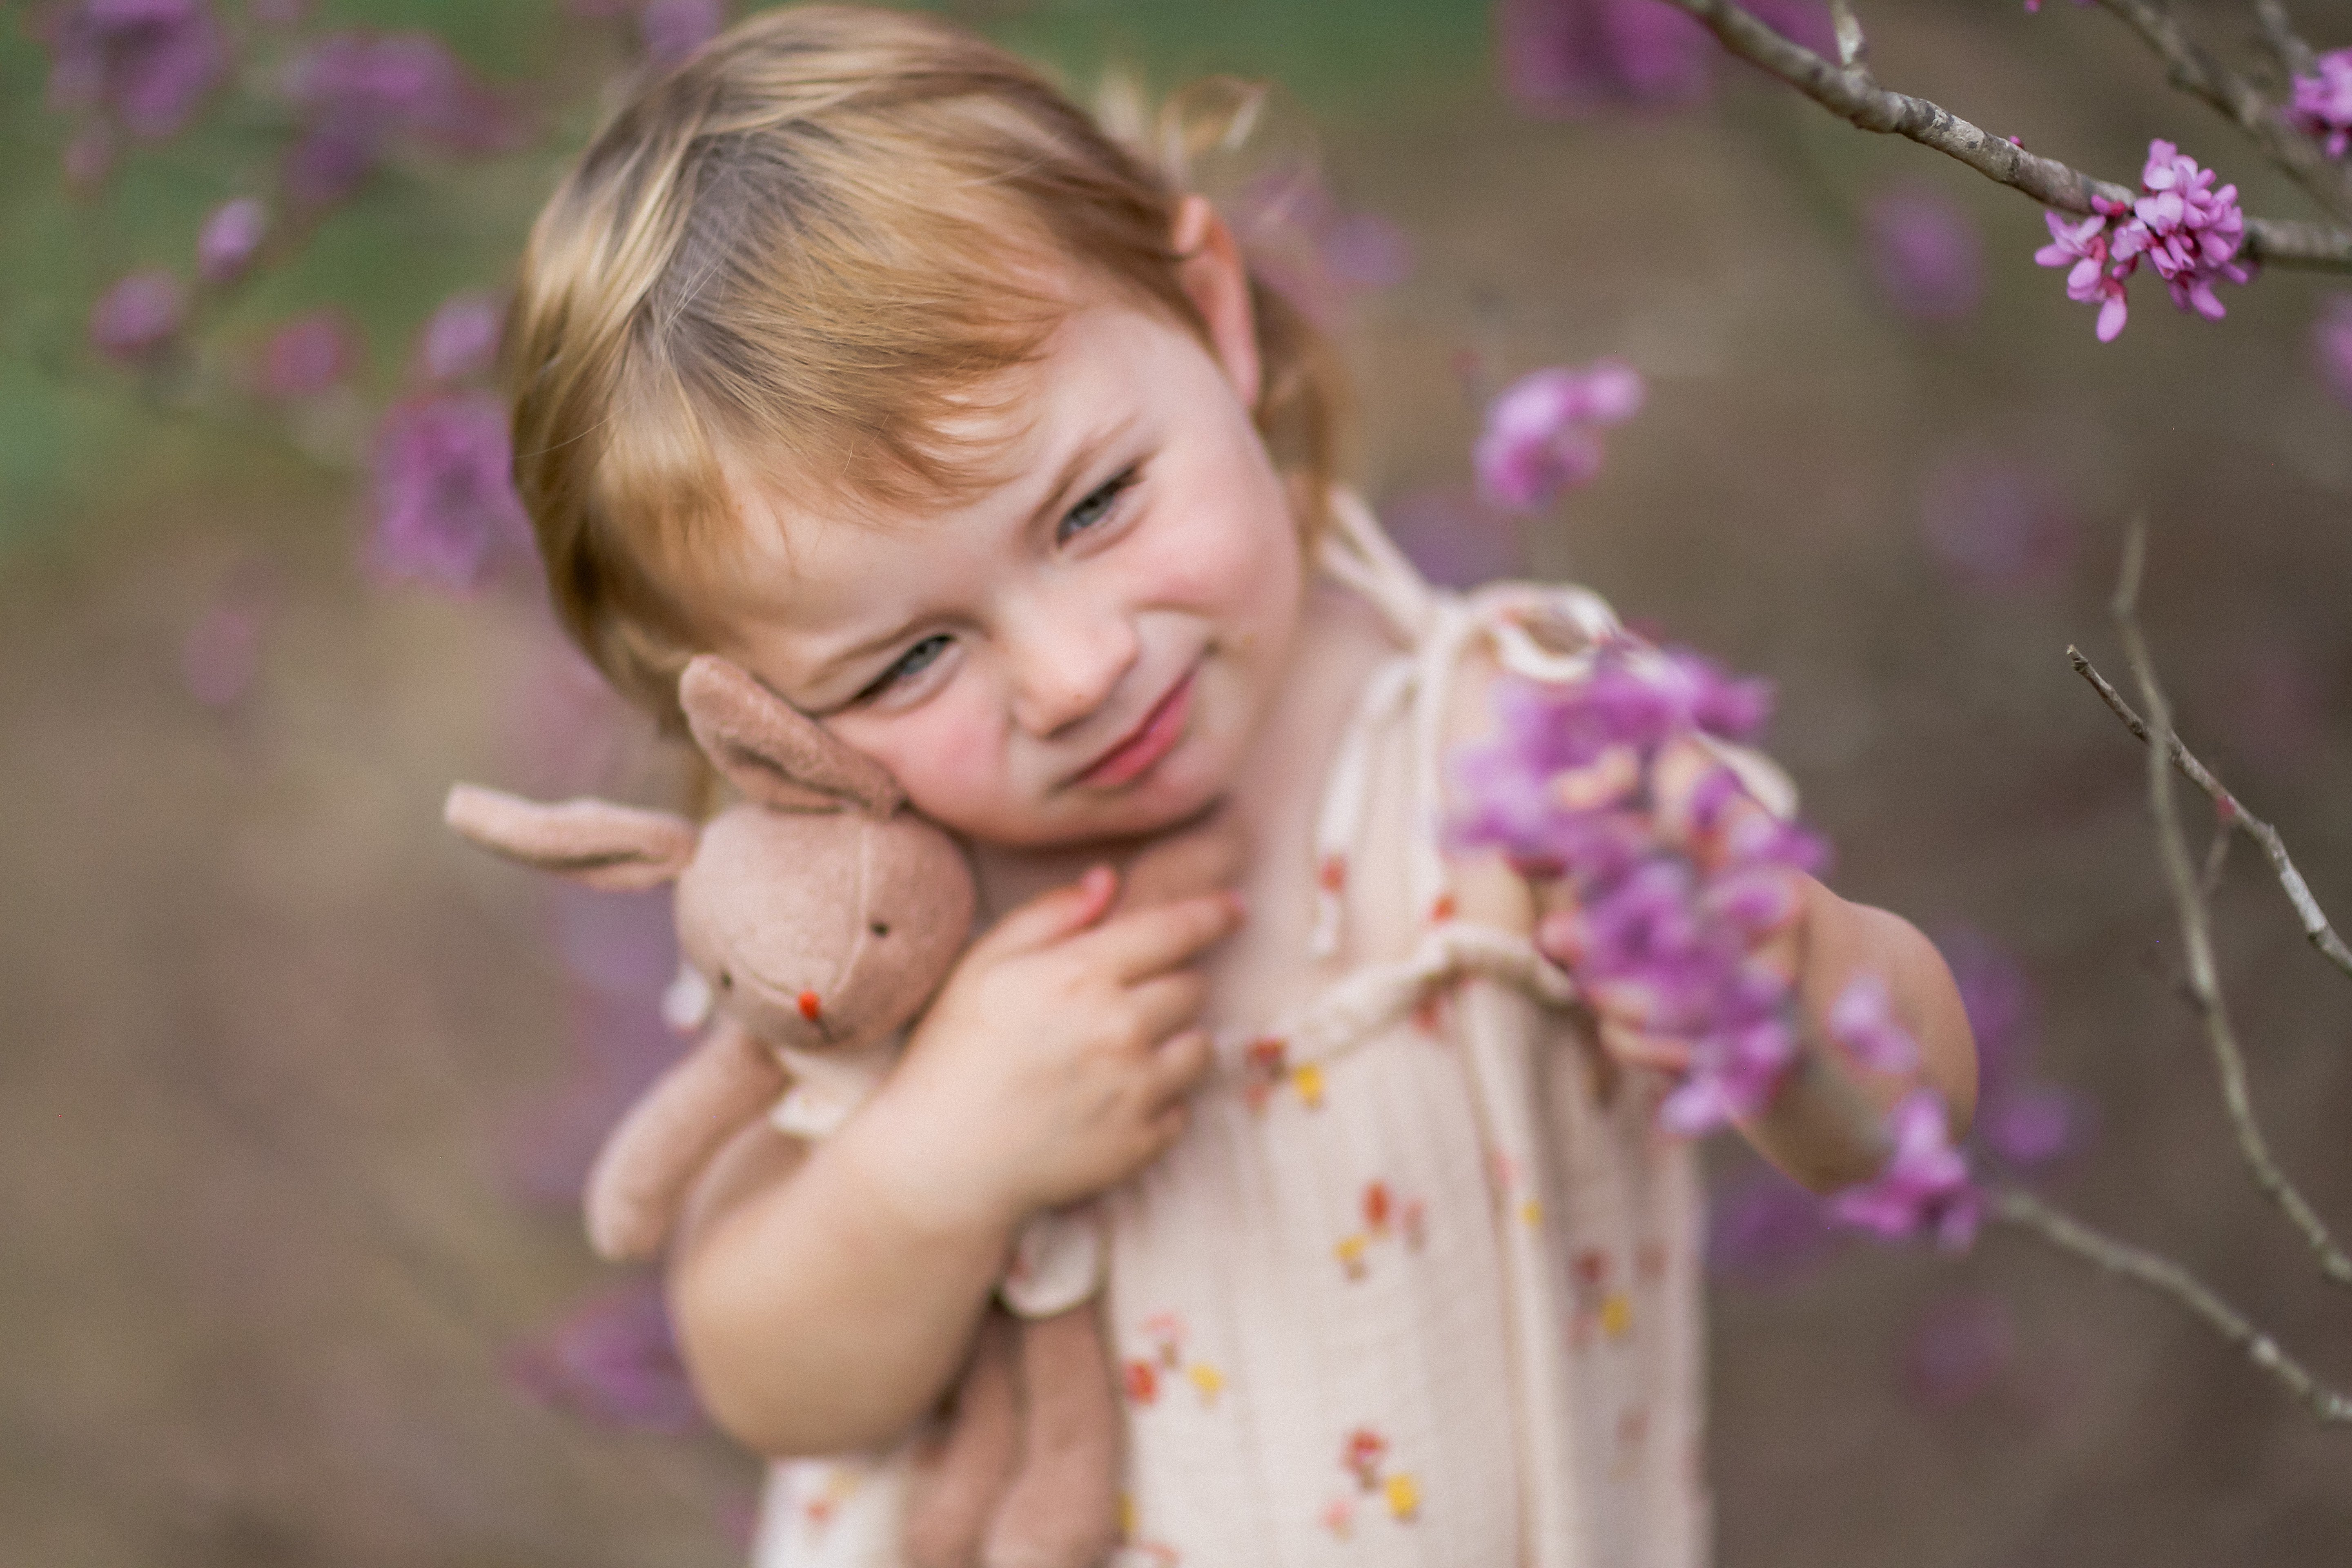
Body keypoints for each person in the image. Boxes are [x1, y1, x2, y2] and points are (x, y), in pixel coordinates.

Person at [501, 7, 1978, 1564]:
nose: (1075, 674)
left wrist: (1780, 983)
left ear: (1214, 313)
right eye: (908, 660)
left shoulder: (1515, 754)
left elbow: (1906, 1111)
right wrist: (933, 1166)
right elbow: (766, 1374)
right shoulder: (881, 916)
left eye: (1097, 505)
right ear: (752, 715)